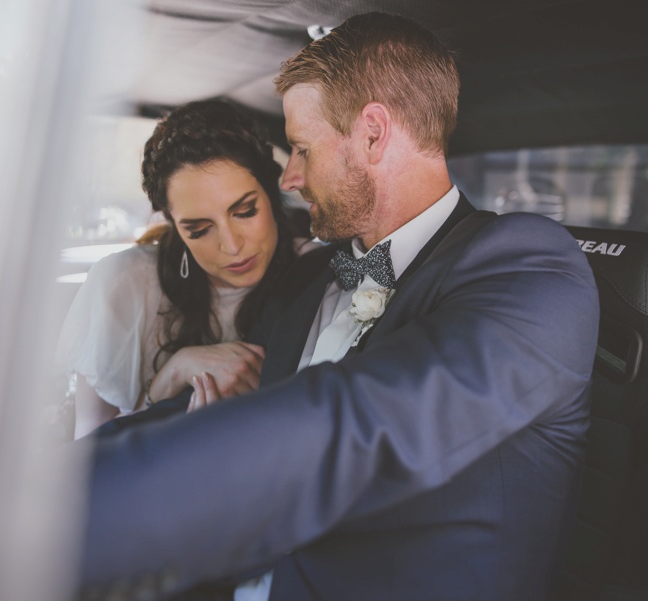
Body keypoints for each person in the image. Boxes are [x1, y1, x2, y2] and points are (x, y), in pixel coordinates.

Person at [77, 12, 600, 601]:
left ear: (373, 133)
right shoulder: (310, 276)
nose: (292, 179)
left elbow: (350, 425)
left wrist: (69, 525)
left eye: (300, 149)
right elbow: (222, 406)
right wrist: (38, 487)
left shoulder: (530, 268)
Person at [57, 100, 309, 439]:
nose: (232, 246)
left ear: (271, 191)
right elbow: (88, 450)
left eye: (246, 211)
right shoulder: (124, 285)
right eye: (199, 230)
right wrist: (170, 379)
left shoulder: (317, 269)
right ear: (175, 226)